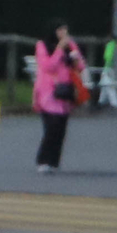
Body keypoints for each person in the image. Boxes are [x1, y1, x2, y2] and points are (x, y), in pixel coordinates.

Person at [33, 22, 88, 173]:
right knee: (52, 127)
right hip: (47, 92)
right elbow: (48, 66)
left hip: (65, 91)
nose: (63, 33)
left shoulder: (70, 45)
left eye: (65, 29)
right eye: (60, 29)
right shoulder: (43, 46)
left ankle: (54, 161)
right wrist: (59, 49)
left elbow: (80, 66)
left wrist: (75, 55)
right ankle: (43, 160)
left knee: (61, 129)